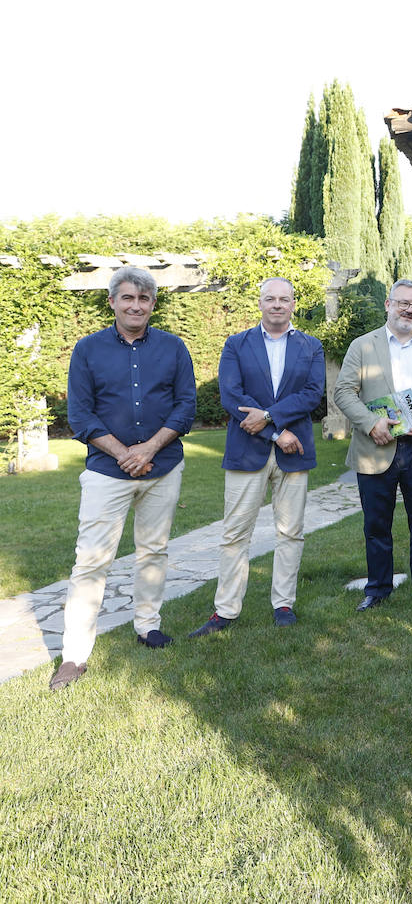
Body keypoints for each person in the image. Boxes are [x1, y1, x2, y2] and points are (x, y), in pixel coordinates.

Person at [48, 266, 196, 691]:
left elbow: (185, 406)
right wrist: (124, 453)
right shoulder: (88, 350)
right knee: (91, 561)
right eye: (127, 298)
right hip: (106, 472)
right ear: (111, 301)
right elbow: (80, 414)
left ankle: (148, 626)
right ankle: (74, 656)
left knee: (154, 550)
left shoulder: (173, 347)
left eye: (144, 299)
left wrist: (148, 449)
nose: (136, 306)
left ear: (153, 304)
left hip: (162, 467)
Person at [188, 278, 325, 637]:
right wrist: (276, 432)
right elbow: (231, 397)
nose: (277, 304)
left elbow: (312, 395)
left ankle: (283, 604)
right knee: (235, 533)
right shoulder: (236, 344)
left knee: (291, 532)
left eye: (284, 299)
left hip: (294, 456)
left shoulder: (311, 345)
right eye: (270, 299)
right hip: (250, 451)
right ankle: (225, 610)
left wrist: (267, 416)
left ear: (294, 303)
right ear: (260, 303)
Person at [334, 280, 412, 611]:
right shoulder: (362, 346)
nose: (409, 310)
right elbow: (344, 391)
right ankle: (377, 589)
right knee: (376, 525)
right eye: (403, 303)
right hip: (376, 447)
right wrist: (370, 423)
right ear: (388, 304)